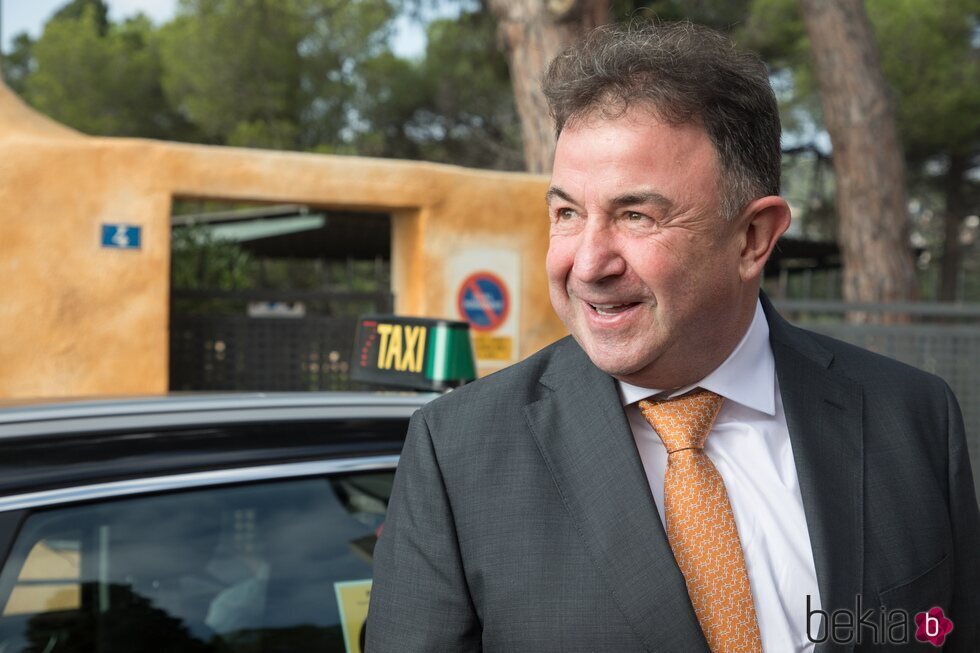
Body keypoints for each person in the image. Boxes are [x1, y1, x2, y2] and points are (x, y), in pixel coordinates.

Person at [366, 21, 980, 653]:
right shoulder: (458, 453)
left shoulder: (913, 417)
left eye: (636, 215)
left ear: (753, 238)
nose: (587, 263)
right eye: (567, 214)